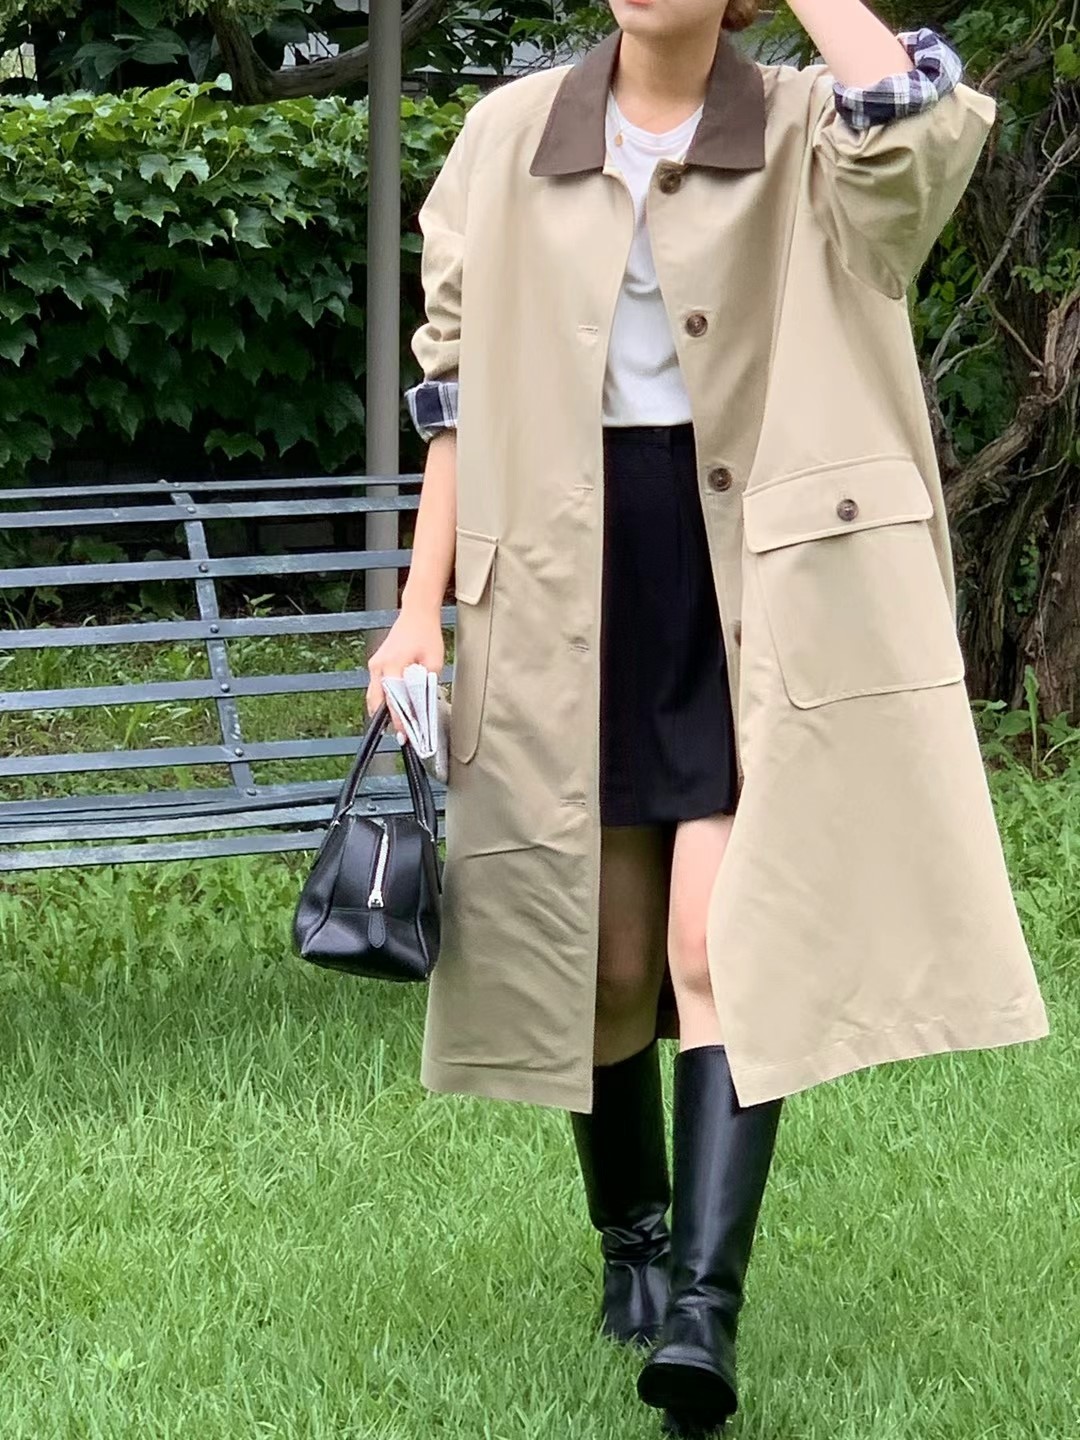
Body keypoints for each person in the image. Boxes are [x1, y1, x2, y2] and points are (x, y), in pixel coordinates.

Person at [366, 2, 1050, 1435]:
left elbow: (923, 134)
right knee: (608, 964)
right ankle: (631, 1241)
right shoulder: (509, 136)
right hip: (566, 580)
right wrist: (417, 610)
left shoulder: (810, 127)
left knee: (711, 946)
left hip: (749, 587)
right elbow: (451, 395)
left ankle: (703, 1307)